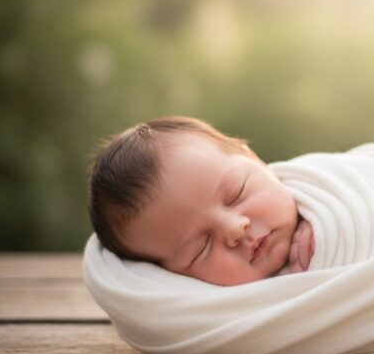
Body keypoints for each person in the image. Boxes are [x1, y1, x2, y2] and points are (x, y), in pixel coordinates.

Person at [88, 116, 314, 286]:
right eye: (202, 247)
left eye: (237, 193)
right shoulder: (207, 316)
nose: (235, 228)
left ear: (254, 158)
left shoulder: (318, 182)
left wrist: (320, 220)